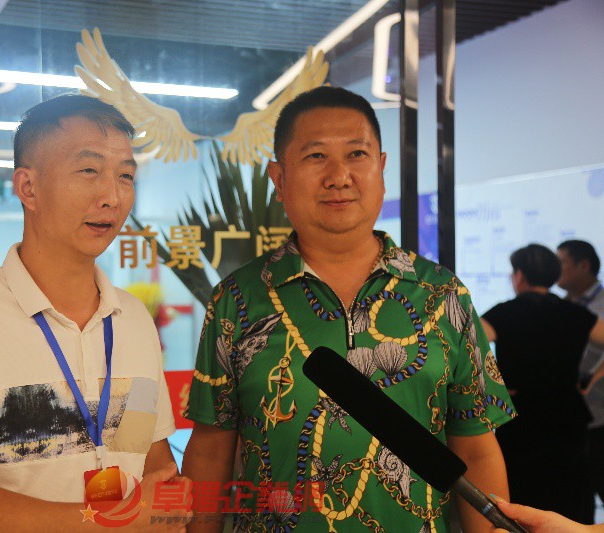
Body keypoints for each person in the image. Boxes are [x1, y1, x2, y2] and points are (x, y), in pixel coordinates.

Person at [182, 86, 516, 532]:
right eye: (316, 156)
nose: (339, 177)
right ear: (279, 178)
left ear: (381, 167)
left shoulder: (443, 295)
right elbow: (210, 448)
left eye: (357, 154)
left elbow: (476, 448)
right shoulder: (236, 300)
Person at [0, 95, 190, 531]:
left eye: (126, 175)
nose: (112, 196)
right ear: (28, 188)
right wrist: (117, 520)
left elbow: (145, 459)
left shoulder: (132, 319)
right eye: (89, 171)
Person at [480, 244, 604, 524]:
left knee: (524, 500)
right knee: (569, 498)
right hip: (568, 415)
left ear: (519, 275)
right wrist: (591, 378)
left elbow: (464, 348)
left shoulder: (504, 313)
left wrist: (492, 388)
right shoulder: (575, 313)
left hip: (521, 417)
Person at [557, 240, 604, 501]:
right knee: (577, 495)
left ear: (583, 265)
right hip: (570, 417)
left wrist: (593, 377)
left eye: (562, 262)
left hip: (599, 416)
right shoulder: (562, 305)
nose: (557, 268)